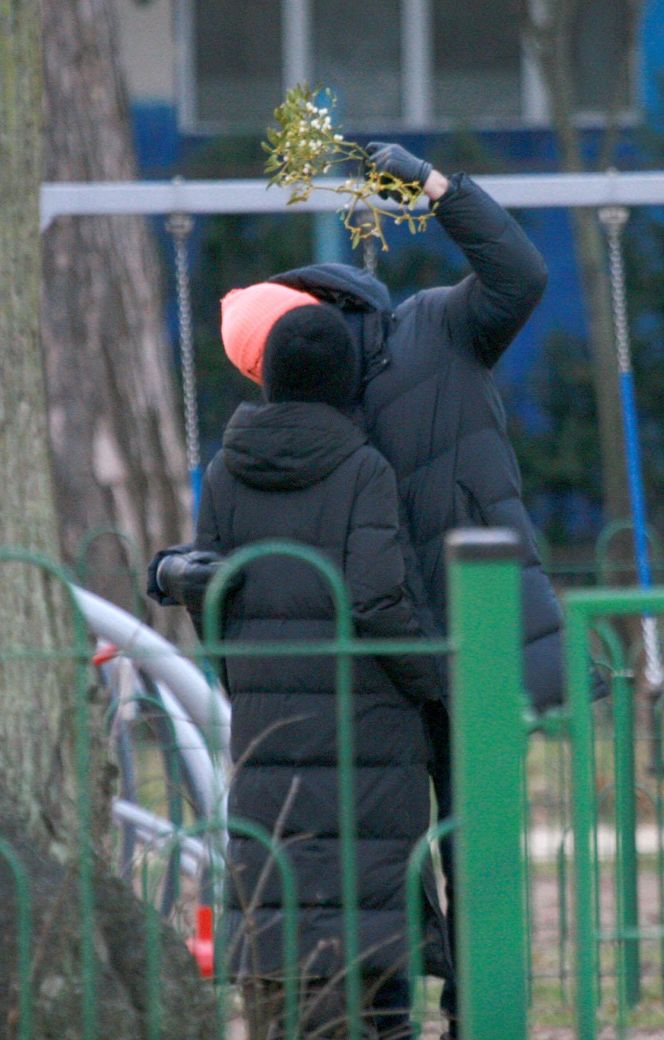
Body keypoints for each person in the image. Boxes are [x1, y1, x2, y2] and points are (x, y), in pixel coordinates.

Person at [149, 141, 562, 1038]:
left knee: (475, 849)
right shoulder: (314, 407)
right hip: (383, 674)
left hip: (470, 650)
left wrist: (434, 189)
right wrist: (185, 573)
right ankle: (398, 1011)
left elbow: (521, 276)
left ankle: (481, 1016)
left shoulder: (438, 330)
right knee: (390, 863)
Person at [172, 301, 450, 1038]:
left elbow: (213, 592)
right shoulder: (364, 469)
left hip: (269, 736)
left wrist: (248, 678)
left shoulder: (225, 470)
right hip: (370, 735)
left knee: (281, 909)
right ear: (344, 381)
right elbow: (378, 597)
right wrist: (436, 682)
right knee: (372, 928)